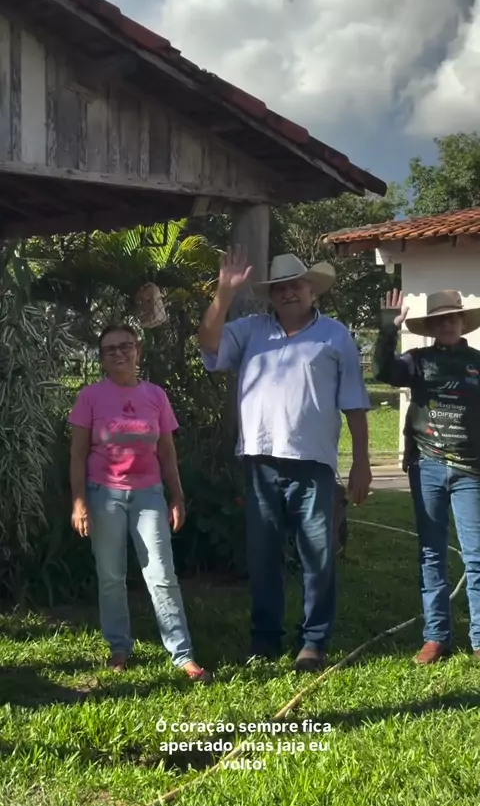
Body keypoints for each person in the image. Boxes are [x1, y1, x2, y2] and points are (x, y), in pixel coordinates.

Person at [198, 247, 372, 672]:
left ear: (312, 289)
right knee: (263, 556)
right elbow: (208, 342)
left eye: (296, 285)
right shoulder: (250, 330)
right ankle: (265, 639)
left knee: (318, 556)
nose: (288, 293)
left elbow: (354, 401)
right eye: (279, 288)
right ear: (271, 296)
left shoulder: (335, 335)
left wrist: (361, 461)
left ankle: (312, 642)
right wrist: (224, 291)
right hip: (261, 460)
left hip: (314, 463)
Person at [68, 324, 211, 681]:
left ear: (138, 351)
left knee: (161, 574)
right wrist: (79, 502)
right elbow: (78, 454)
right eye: (110, 349)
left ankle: (183, 654)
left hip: (149, 494)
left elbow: (167, 452)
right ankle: (119, 647)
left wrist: (176, 496)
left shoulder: (156, 396)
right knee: (111, 576)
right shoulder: (90, 397)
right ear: (102, 358)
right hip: (103, 494)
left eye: (125, 346)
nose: (118, 353)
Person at [373, 288, 480, 664]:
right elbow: (382, 371)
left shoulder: (477, 362)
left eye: (453, 317)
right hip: (427, 466)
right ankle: (436, 637)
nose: (447, 323)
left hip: (471, 471)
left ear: (463, 322)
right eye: (440, 320)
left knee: (476, 556)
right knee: (431, 554)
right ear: (432, 327)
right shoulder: (417, 361)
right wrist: (388, 328)